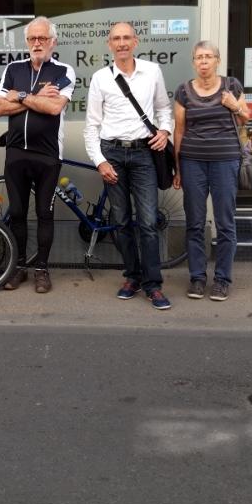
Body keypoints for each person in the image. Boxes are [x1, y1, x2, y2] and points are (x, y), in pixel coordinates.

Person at [84, 22, 173, 310]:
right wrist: (100, 162)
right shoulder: (100, 78)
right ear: (109, 45)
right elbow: (91, 126)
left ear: (135, 41)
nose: (121, 43)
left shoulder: (152, 72)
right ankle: (132, 277)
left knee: (147, 222)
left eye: (126, 38)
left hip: (143, 153)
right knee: (121, 222)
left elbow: (163, 109)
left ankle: (153, 284)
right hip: (112, 153)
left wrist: (165, 132)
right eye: (116, 39)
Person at [0, 17, 75, 293]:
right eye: (32, 39)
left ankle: (41, 269)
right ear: (27, 42)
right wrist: (35, 96)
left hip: (47, 154)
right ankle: (18, 268)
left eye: (42, 38)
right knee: (16, 213)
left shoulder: (64, 71)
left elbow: (54, 109)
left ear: (53, 41)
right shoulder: (13, 68)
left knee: (44, 213)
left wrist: (19, 96)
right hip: (16, 152)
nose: (37, 43)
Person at [172, 41, 250, 302]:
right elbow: (180, 130)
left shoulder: (232, 86)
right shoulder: (184, 91)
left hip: (225, 161)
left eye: (208, 57)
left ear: (217, 60)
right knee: (194, 222)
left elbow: (245, 117)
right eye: (199, 57)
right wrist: (178, 166)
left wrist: (233, 105)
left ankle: (222, 280)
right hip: (193, 161)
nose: (203, 62)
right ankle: (197, 277)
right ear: (193, 62)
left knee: (225, 222)